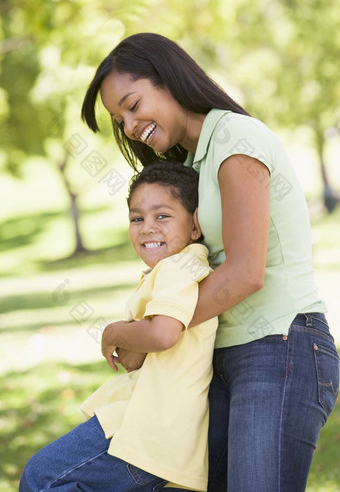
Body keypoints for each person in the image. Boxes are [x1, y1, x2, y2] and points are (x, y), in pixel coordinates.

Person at [81, 32, 340, 492]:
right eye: (119, 119)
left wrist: (154, 330)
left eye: (133, 104)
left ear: (168, 78)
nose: (129, 124)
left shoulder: (235, 137)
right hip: (223, 357)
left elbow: (245, 272)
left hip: (279, 345)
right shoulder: (193, 165)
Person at [19, 162, 218, 492]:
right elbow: (139, 356)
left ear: (195, 226)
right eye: (137, 218)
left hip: (148, 432)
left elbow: (162, 334)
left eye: (162, 216)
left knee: (42, 478)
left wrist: (115, 333)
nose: (147, 227)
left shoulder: (179, 267)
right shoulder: (176, 269)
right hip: (153, 431)